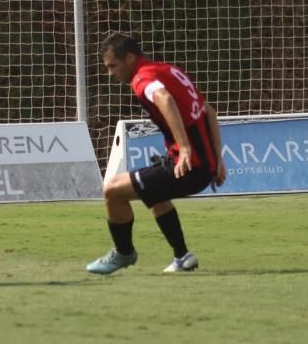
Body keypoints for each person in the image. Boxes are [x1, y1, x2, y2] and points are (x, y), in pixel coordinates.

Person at [87, 32, 226, 275]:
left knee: (112, 190)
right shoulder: (169, 71)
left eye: (113, 66)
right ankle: (182, 256)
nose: (111, 73)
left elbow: (164, 99)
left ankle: (123, 252)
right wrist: (218, 160)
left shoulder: (143, 79)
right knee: (152, 193)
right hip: (203, 165)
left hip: (188, 166)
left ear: (129, 58)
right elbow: (209, 111)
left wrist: (184, 148)